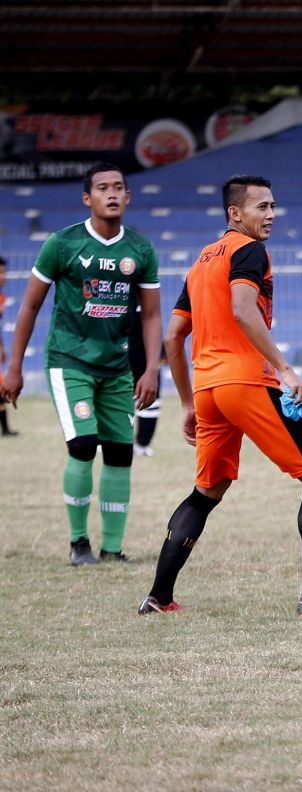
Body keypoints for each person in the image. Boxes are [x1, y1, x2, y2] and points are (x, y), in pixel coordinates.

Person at [139, 175, 302, 616]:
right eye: (261, 207)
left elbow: (174, 336)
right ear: (235, 213)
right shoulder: (248, 249)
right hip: (248, 382)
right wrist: (285, 367)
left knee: (207, 490)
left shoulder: (201, 261)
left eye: (274, 205)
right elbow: (241, 310)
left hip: (210, 389)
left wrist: (187, 403)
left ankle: (158, 598)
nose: (271, 214)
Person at [0, 163, 162, 565]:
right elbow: (31, 305)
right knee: (85, 444)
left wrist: (151, 369)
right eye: (102, 187)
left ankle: (111, 548)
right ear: (87, 198)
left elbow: (153, 315)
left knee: (121, 454)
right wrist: (14, 368)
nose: (112, 193)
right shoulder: (63, 243)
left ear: (128, 197)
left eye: (119, 187)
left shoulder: (140, 250)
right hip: (69, 361)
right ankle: (78, 544)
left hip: (117, 368)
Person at [127, 304, 165, 456]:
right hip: (120, 349)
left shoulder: (147, 288)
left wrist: (160, 352)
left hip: (146, 352)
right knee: (113, 396)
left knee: (151, 398)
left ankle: (143, 443)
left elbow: (153, 320)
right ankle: (105, 440)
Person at [0, 255, 16, 437]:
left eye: (4, 272)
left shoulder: (2, 298)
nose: (3, 276)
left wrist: (2, 347)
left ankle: (5, 430)